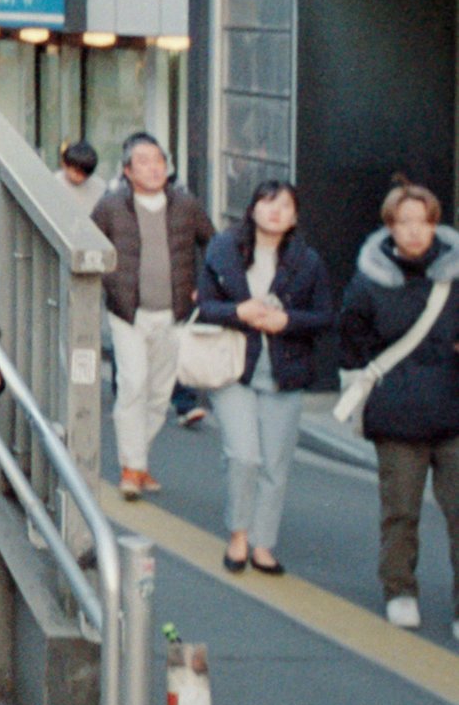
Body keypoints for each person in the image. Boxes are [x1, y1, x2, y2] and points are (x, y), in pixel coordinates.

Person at [337, 178, 459, 635]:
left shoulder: (455, 276)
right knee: (401, 511)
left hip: (453, 410)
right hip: (396, 414)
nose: (413, 231)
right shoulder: (369, 282)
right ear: (389, 227)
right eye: (403, 222)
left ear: (435, 224)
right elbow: (350, 339)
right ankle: (400, 590)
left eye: (422, 221)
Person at [195, 180, 333, 576]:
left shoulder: (308, 261)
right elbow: (204, 306)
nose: (275, 211)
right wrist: (238, 312)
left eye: (285, 205)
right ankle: (239, 534)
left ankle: (263, 543)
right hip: (235, 368)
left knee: (275, 462)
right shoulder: (224, 249)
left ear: (295, 216)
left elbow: (325, 316)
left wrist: (287, 320)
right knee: (244, 456)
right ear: (252, 208)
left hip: (284, 372)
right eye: (267, 203)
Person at [91, 133, 215, 498]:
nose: (153, 167)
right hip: (128, 313)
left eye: (159, 160)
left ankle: (138, 460)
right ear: (128, 171)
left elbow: (214, 243)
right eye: (143, 161)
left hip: (174, 314)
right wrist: (107, 285)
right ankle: (132, 468)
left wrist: (204, 287)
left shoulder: (186, 205)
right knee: (133, 385)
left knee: (160, 394)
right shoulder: (110, 206)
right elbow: (85, 245)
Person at [59, 139, 105, 208]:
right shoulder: (54, 184)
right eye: (77, 172)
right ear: (64, 165)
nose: (80, 178)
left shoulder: (100, 187)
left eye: (85, 174)